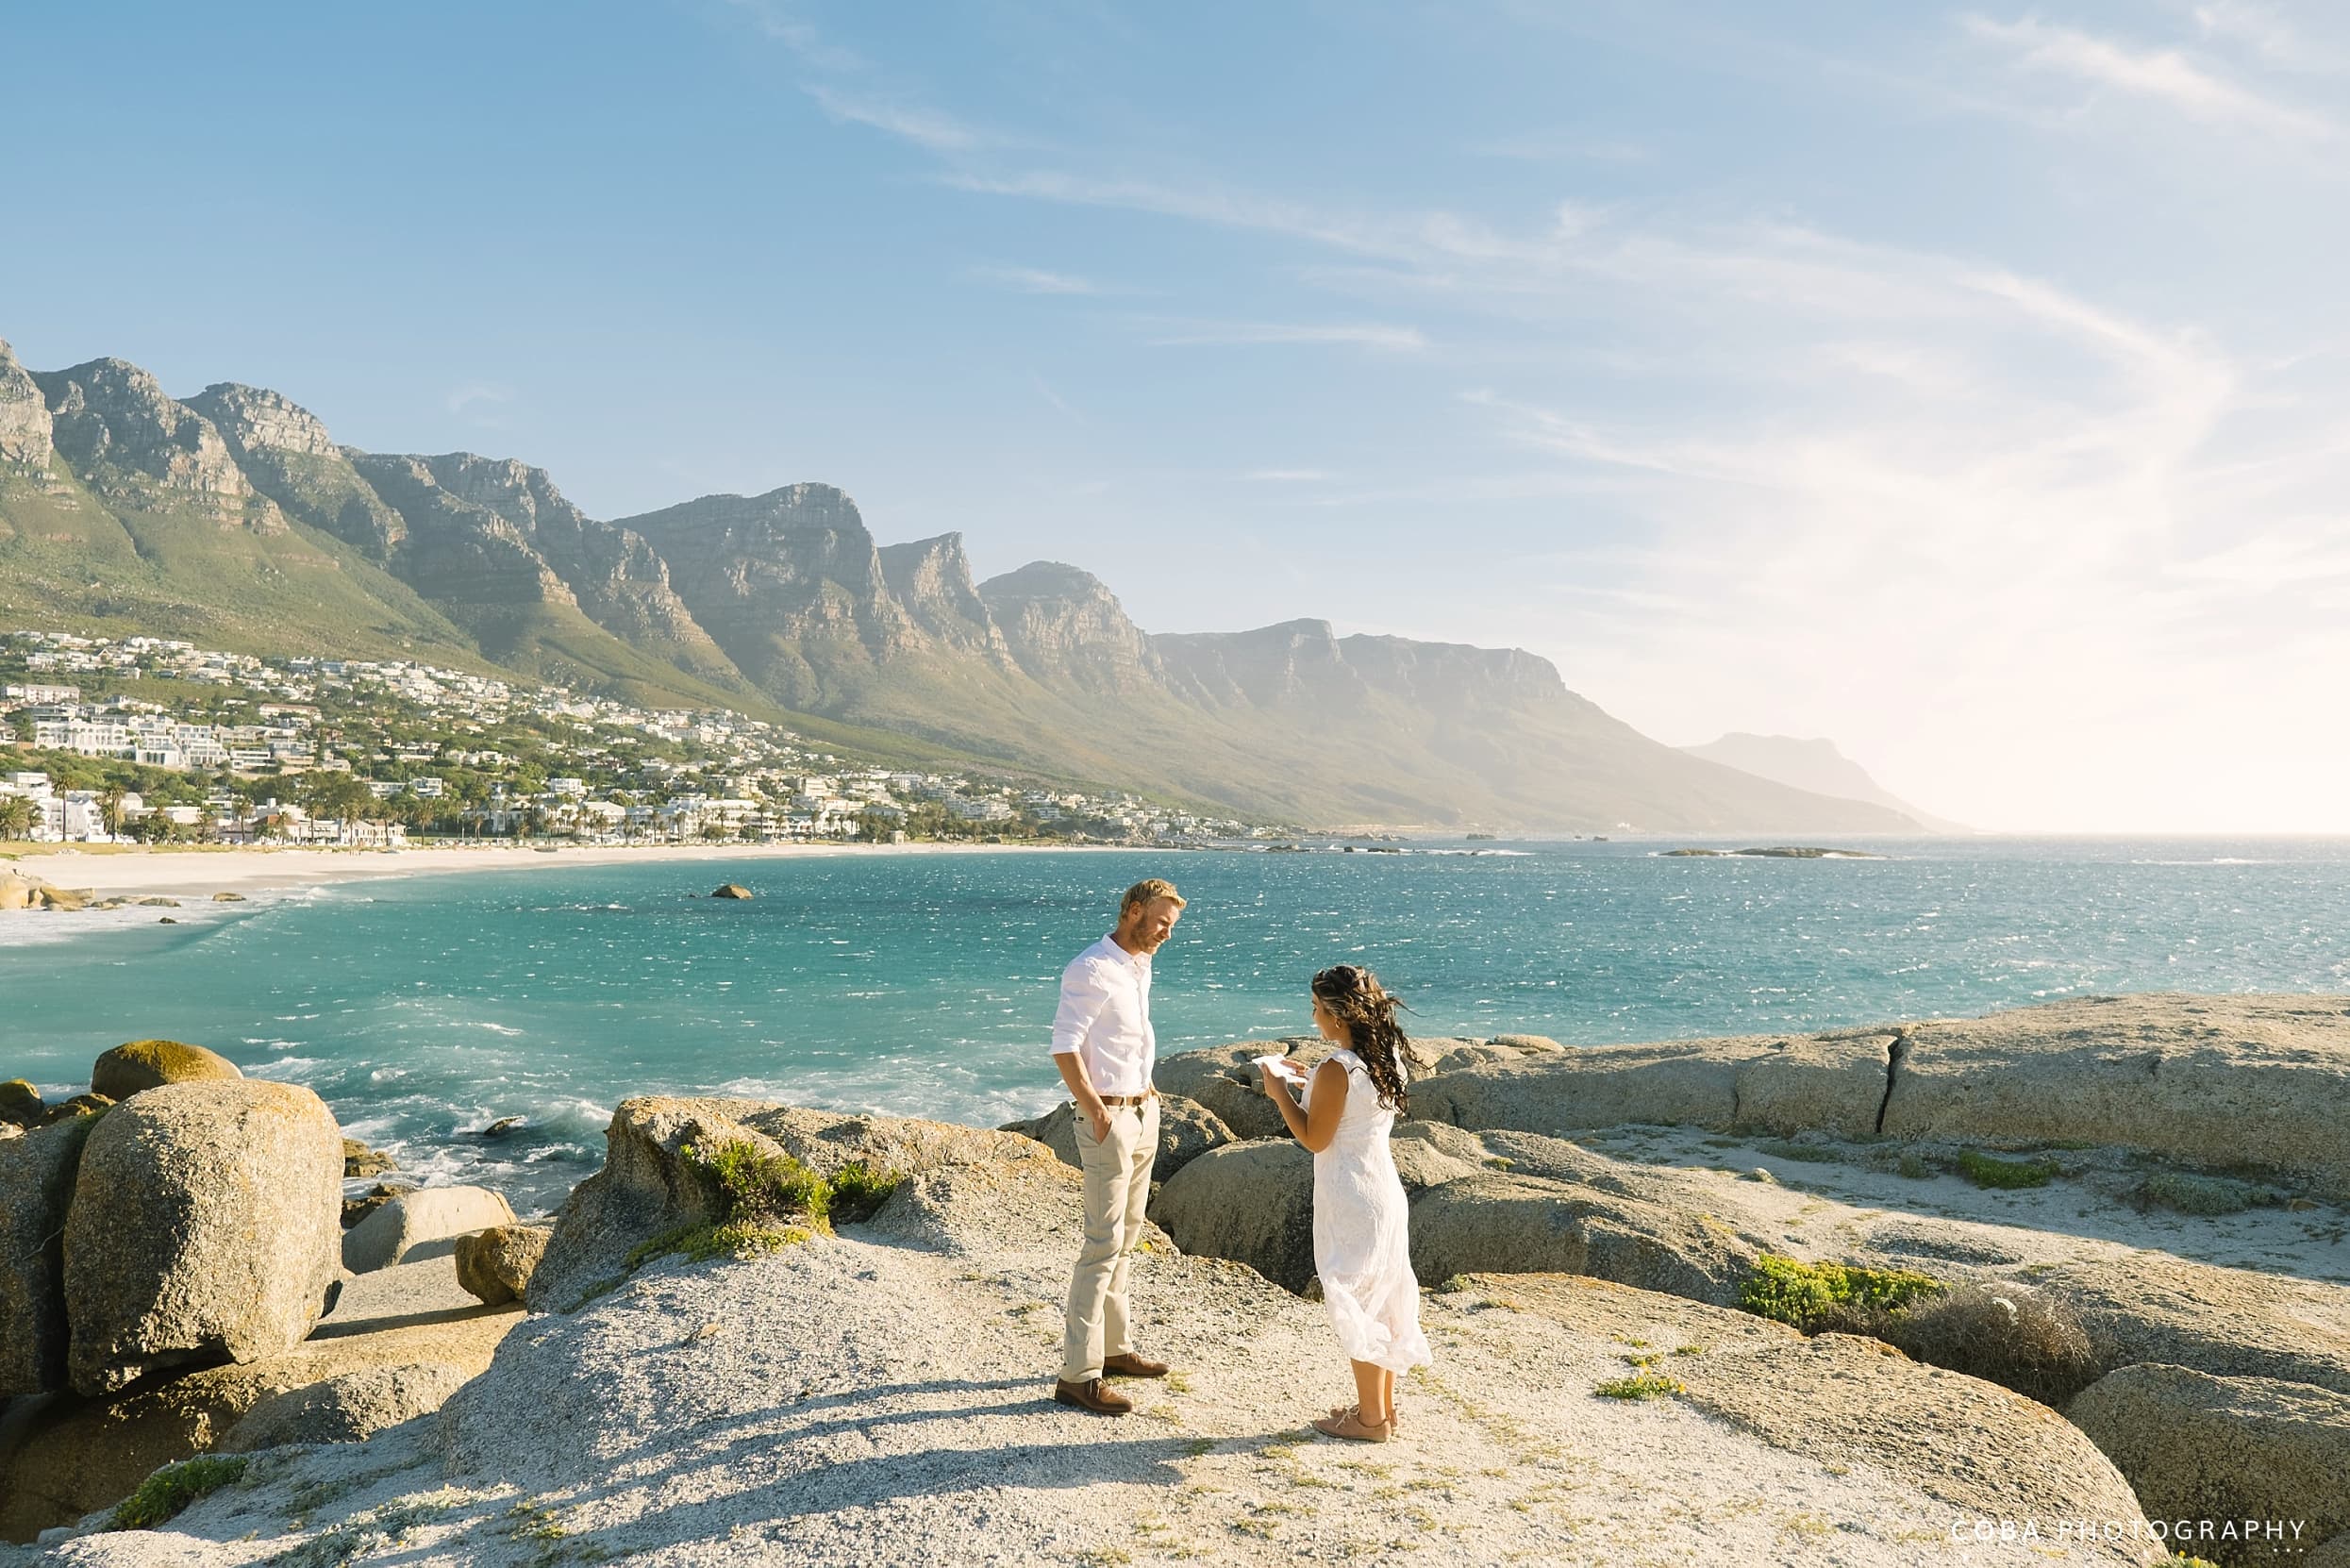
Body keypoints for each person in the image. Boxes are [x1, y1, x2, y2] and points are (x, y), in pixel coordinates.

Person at [1258, 962, 1431, 1442]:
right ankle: (1381, 1409)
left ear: (1338, 1015)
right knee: (1382, 1298)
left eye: (1316, 1009)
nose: (1313, 1018)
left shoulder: (1337, 1068)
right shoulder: (1383, 1055)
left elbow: (1315, 1138)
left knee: (1356, 1299)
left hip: (1352, 1195)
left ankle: (1370, 1422)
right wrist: (1308, 1082)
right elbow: (1351, 1108)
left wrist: (1278, 1093)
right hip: (1383, 1191)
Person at [1049, 877, 1186, 1415]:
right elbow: (1065, 1047)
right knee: (1101, 1245)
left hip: (1141, 1110)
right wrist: (1099, 1110)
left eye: (1172, 925)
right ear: (1131, 911)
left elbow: (1126, 1040)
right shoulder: (1091, 968)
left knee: (1126, 1239)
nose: (1166, 933)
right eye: (1159, 921)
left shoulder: (1136, 967)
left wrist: (1145, 1094)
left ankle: (1115, 1349)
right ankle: (1077, 1376)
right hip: (1109, 1118)